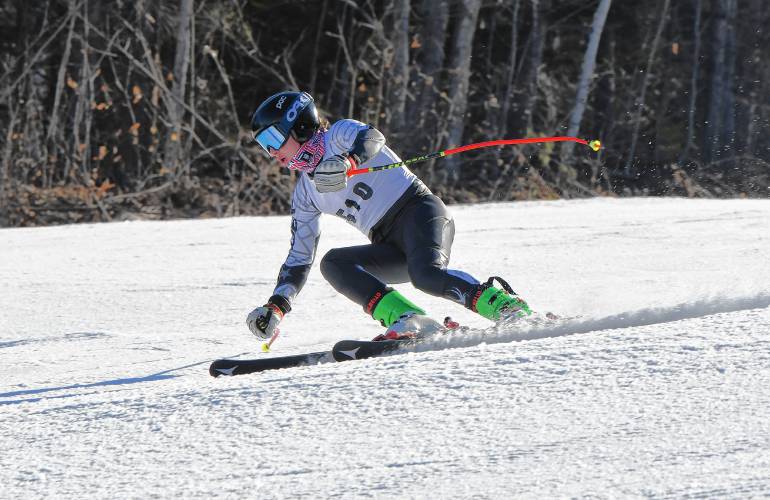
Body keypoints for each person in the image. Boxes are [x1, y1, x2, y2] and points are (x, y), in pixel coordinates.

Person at [246, 90, 531, 341]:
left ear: (299, 126)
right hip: (388, 244)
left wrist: (348, 161)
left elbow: (372, 137)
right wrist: (277, 306)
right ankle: (410, 319)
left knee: (427, 276)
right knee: (333, 263)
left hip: (419, 212)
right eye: (263, 145)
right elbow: (299, 258)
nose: (271, 152)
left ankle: (508, 308)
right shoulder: (305, 193)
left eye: (273, 138)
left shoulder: (339, 135)